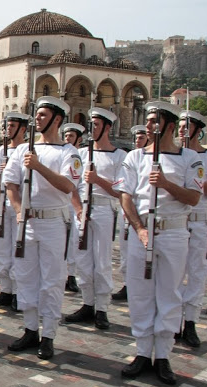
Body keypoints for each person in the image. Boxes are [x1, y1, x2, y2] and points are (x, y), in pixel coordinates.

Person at [115, 101, 201, 385]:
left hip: (174, 231)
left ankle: (163, 355)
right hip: (143, 232)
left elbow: (193, 198)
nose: (149, 125)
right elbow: (126, 195)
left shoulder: (190, 159)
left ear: (170, 126)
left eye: (155, 120)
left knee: (169, 293)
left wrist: (165, 184)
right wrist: (139, 228)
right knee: (140, 293)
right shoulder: (135, 157)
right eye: (149, 120)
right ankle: (141, 352)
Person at [3, 96, 82, 359]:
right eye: (36, 115)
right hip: (28, 221)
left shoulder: (69, 152)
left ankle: (48, 333)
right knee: (25, 276)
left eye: (43, 115)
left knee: (51, 279)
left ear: (57, 120)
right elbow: (11, 184)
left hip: (53, 222)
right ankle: (29, 329)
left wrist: (38, 166)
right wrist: (17, 210)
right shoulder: (22, 149)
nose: (37, 119)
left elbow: (68, 186)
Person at [65, 108, 125, 330]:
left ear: (108, 128)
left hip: (103, 209)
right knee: (82, 259)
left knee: (101, 261)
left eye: (97, 125)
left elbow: (120, 191)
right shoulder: (80, 153)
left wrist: (98, 179)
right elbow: (71, 185)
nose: (93, 129)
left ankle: (102, 307)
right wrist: (78, 209)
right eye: (91, 124)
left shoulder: (120, 156)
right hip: (81, 209)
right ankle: (87, 303)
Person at [175, 110, 207, 347]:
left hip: (199, 218)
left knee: (196, 271)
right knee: (173, 274)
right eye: (180, 125)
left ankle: (190, 322)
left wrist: (196, 178)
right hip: (177, 219)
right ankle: (172, 322)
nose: (182, 129)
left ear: (198, 129)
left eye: (186, 126)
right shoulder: (175, 154)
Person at [0, 112, 30, 311]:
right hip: (3, 202)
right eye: (7, 126)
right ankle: (5, 289)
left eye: (12, 126)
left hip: (19, 202)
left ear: (22, 129)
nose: (8, 129)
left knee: (18, 248)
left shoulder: (28, 150)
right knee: (2, 246)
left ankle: (19, 291)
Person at [112, 124, 149, 301]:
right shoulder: (132, 158)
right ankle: (128, 283)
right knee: (127, 250)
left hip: (143, 213)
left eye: (141, 138)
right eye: (136, 138)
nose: (137, 141)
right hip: (127, 210)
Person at [62, 123, 86, 293]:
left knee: (74, 241)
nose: (67, 139)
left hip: (78, 202)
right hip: (64, 201)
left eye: (71, 136)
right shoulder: (65, 153)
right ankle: (64, 273)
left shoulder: (82, 154)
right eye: (66, 136)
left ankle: (71, 275)